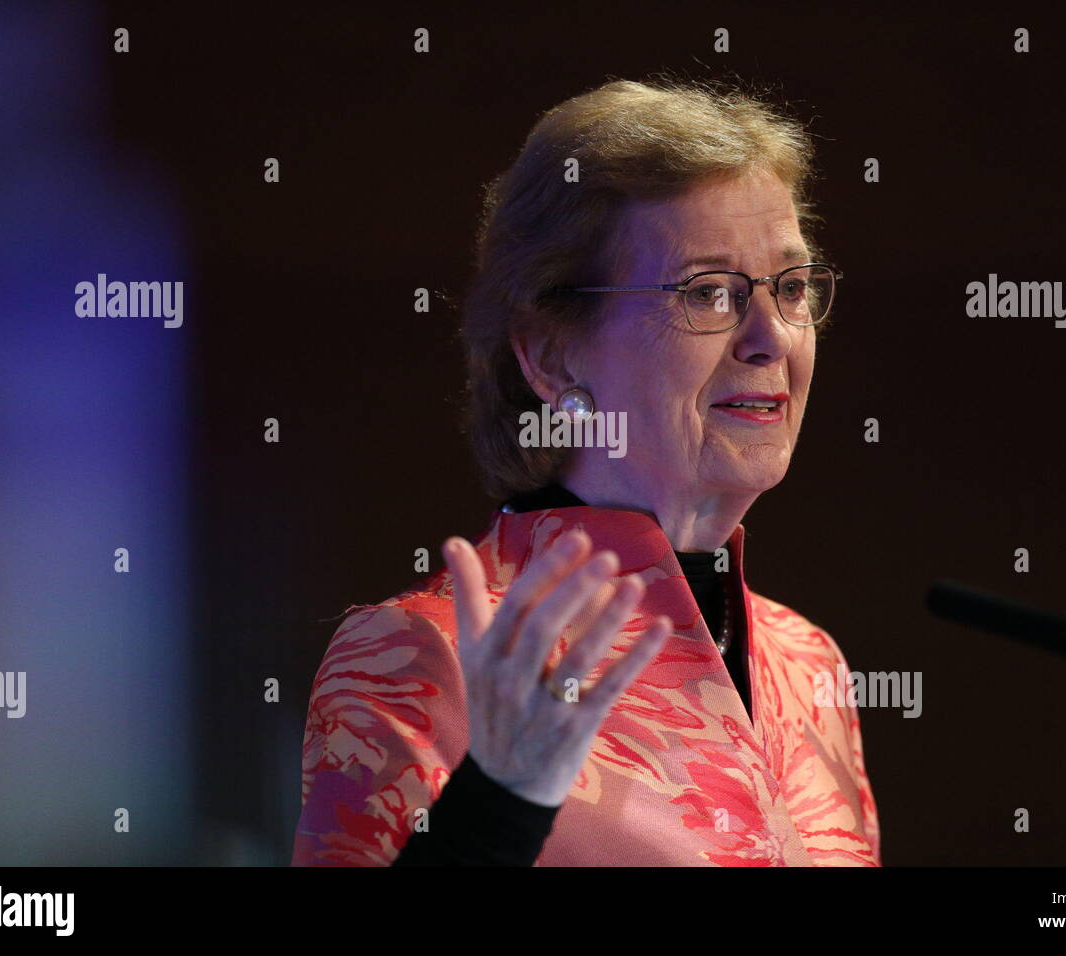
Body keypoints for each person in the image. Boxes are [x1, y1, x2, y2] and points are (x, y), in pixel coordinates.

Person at [292, 76, 880, 866]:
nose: (769, 336)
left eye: (793, 287)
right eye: (707, 293)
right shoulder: (428, 654)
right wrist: (500, 799)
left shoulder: (809, 662)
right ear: (549, 352)